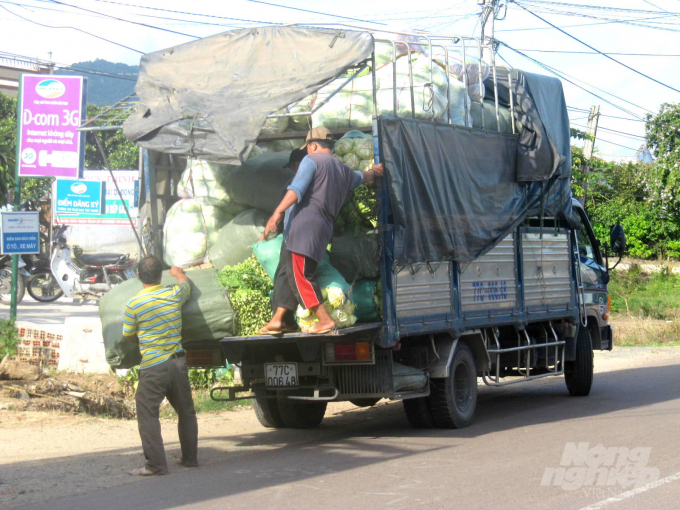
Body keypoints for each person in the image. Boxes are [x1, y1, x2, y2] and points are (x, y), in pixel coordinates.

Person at [258, 127, 384, 335]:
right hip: (321, 230)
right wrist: (376, 171)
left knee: (301, 277)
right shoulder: (341, 168)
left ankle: (325, 320)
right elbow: (362, 176)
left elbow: (296, 190)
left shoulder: (311, 161)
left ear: (313, 145)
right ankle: (279, 320)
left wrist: (277, 212)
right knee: (292, 273)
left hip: (304, 228)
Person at [123, 256, 198, 476]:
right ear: (160, 275)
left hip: (153, 366)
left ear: (138, 276)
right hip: (178, 363)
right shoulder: (173, 294)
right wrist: (177, 272)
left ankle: (156, 465)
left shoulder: (134, 304)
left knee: (147, 413)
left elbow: (128, 335)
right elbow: (187, 285)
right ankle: (190, 459)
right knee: (186, 411)